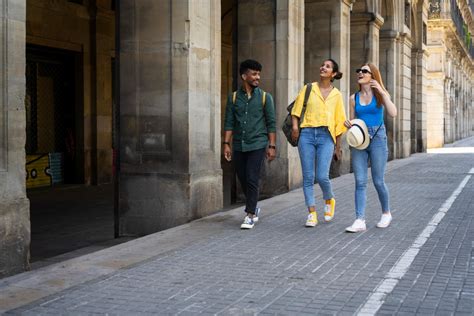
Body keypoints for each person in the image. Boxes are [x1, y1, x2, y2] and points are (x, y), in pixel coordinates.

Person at [291, 59, 347, 227]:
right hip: (306, 134)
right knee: (308, 177)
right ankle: (312, 213)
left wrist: (338, 147)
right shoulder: (309, 88)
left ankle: (329, 199)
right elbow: (295, 111)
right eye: (322, 65)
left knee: (322, 176)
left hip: (326, 136)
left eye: (328, 66)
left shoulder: (337, 95)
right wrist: (295, 128)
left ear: (333, 74)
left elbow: (339, 123)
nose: (323, 67)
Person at [223, 59, 276, 229]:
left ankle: (250, 214)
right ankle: (253, 205)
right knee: (243, 177)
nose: (257, 77)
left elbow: (271, 123)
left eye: (258, 74)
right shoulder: (233, 97)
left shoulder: (265, 98)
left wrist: (272, 146)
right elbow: (229, 122)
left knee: (252, 177)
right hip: (239, 144)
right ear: (244, 76)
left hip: (257, 143)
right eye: (254, 74)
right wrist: (226, 143)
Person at [344, 63, 397, 233]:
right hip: (360, 140)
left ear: (372, 76)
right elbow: (352, 121)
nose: (360, 73)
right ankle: (359, 220)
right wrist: (348, 124)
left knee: (378, 180)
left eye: (364, 71)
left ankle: (386, 213)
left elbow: (393, 113)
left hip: (378, 139)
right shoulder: (353, 98)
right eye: (358, 70)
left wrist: (382, 92)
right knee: (360, 181)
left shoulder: (380, 95)